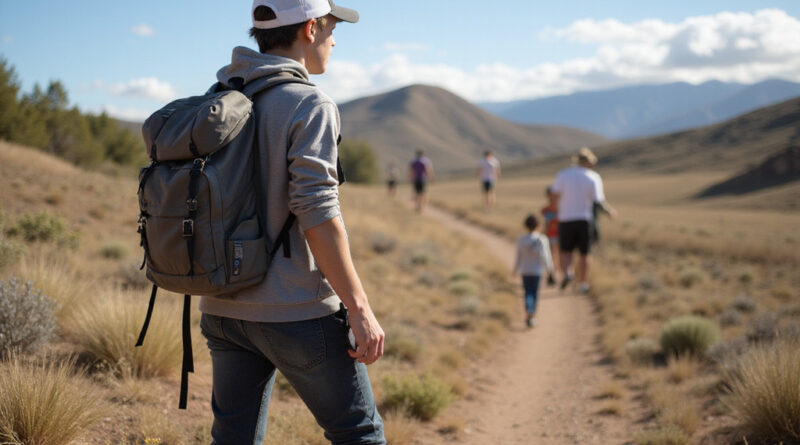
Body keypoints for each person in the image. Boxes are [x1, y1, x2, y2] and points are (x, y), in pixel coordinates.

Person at [198, 1, 386, 443]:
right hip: (296, 311)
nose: (334, 40)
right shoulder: (309, 103)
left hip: (222, 308)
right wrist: (359, 310)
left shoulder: (218, 100)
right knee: (359, 434)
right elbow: (318, 211)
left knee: (233, 438)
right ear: (310, 28)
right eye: (332, 28)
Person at [550, 147, 616, 294]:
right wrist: (609, 211)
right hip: (585, 219)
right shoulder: (593, 177)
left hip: (565, 218)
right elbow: (598, 201)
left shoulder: (564, 174)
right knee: (585, 253)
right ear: (588, 162)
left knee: (565, 250)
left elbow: (554, 194)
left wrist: (555, 210)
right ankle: (583, 282)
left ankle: (567, 273)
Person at [512, 214, 554, 328]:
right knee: (534, 294)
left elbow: (518, 257)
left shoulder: (522, 240)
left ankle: (529, 313)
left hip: (525, 271)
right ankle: (532, 316)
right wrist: (550, 270)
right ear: (538, 225)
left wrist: (514, 271)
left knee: (527, 292)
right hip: (537, 272)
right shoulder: (542, 239)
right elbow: (546, 256)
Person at [541, 186, 560, 285]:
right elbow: (545, 223)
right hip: (549, 235)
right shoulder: (545, 209)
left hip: (558, 235)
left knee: (556, 255)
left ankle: (555, 274)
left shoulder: (560, 208)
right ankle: (552, 275)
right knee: (551, 256)